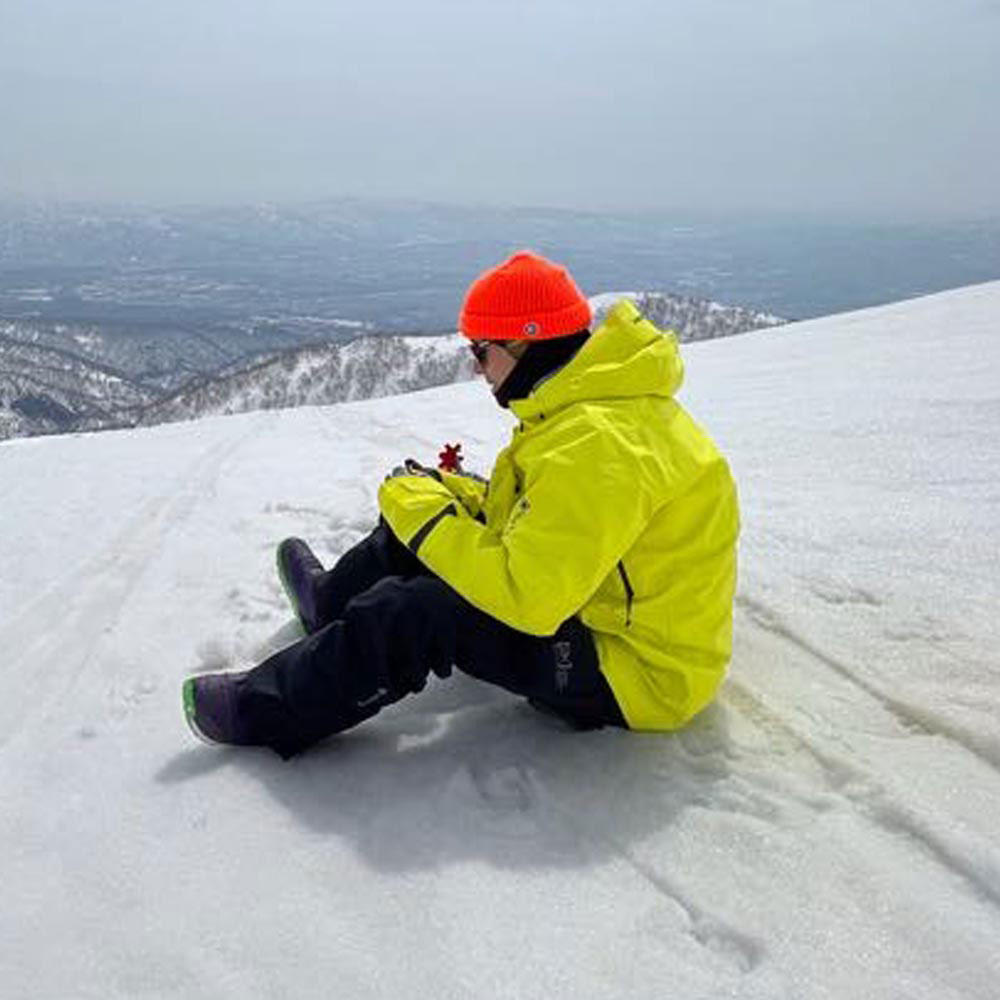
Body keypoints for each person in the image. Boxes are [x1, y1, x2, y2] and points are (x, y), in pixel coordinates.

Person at [183, 251, 740, 759]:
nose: (477, 368)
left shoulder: (599, 443)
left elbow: (528, 598)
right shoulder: (584, 407)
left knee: (419, 609)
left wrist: (426, 519)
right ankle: (328, 605)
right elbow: (546, 518)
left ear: (525, 344)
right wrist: (453, 498)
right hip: (593, 601)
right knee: (429, 521)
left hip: (636, 674)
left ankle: (269, 709)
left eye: (482, 352)